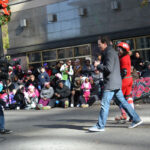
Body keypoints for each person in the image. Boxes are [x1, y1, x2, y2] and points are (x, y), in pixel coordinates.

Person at [88, 36, 143, 132]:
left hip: (111, 83)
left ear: (104, 43)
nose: (98, 46)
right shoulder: (112, 52)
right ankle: (136, 119)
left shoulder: (109, 53)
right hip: (116, 82)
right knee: (123, 102)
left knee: (104, 104)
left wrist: (98, 65)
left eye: (99, 44)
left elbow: (108, 68)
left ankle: (100, 126)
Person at [115, 42, 134, 121]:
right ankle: (132, 115)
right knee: (128, 97)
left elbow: (124, 71)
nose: (118, 50)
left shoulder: (124, 58)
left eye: (120, 49)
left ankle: (124, 115)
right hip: (129, 79)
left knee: (118, 98)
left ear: (124, 50)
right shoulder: (126, 56)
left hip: (124, 80)